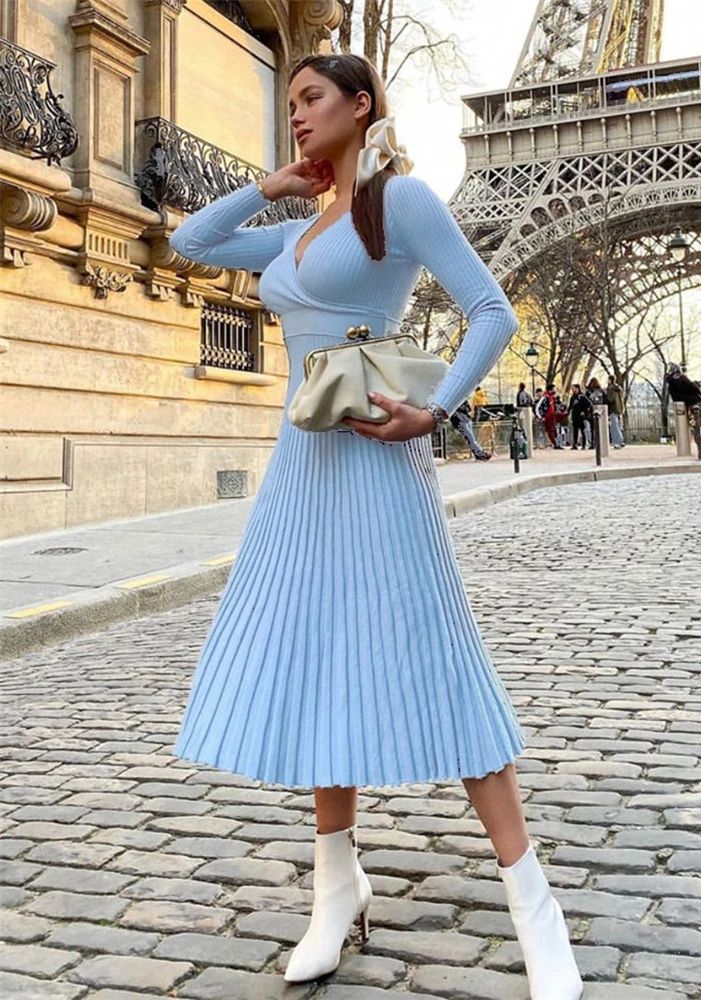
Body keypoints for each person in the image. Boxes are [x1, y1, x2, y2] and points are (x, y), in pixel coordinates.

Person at [167, 53, 581, 999]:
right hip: (300, 475)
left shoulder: (398, 204)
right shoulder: (296, 230)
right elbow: (190, 239)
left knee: (438, 653)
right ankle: (335, 887)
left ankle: (533, 904)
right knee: (317, 664)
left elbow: (489, 312)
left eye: (311, 99)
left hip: (381, 461)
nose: (298, 115)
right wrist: (269, 184)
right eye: (289, 103)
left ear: (362, 105)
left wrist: (436, 412)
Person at [665, 364, 701, 455]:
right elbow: (691, 386)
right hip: (695, 402)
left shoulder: (670, 384)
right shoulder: (679, 377)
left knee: (695, 426)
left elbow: (675, 397)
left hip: (686, 406)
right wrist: (697, 392)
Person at [568, 383, 592, 450]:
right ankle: (574, 444)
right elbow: (570, 406)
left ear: (577, 388)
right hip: (574, 416)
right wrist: (568, 412)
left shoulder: (582, 396)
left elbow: (589, 404)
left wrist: (584, 411)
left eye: (574, 388)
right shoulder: (572, 397)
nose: (573, 390)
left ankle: (584, 445)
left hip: (581, 416)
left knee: (582, 430)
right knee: (575, 431)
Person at [538, 382, 561, 448]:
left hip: (552, 415)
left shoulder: (552, 397)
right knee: (550, 430)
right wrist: (541, 416)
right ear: (550, 390)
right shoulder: (545, 397)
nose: (555, 390)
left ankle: (557, 443)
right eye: (554, 389)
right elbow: (538, 407)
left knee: (554, 430)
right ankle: (555, 444)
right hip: (548, 416)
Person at [606, 375, 626, 449]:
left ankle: (617, 442)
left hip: (613, 408)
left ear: (610, 380)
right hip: (619, 408)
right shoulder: (619, 388)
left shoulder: (610, 388)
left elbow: (610, 399)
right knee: (619, 426)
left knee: (614, 426)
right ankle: (621, 441)